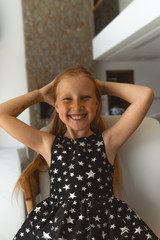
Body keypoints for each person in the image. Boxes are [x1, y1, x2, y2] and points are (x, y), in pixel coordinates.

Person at [0, 66, 159, 240]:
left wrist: (100, 87)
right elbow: (2, 114)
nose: (77, 105)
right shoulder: (48, 144)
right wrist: (39, 94)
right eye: (67, 99)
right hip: (59, 227)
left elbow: (145, 95)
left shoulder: (107, 141)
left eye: (85, 97)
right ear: (57, 106)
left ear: (97, 103)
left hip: (106, 227)